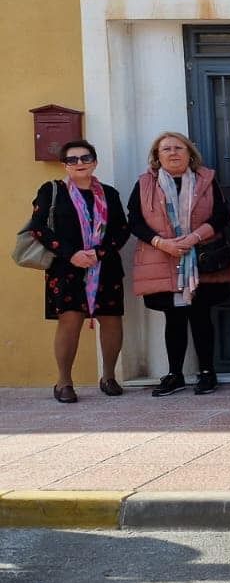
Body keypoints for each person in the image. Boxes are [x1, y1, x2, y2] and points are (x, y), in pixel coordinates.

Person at [127, 132, 230, 398]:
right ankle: (175, 374)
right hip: (162, 259)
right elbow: (135, 220)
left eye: (179, 148)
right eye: (166, 149)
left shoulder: (206, 180)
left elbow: (222, 214)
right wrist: (162, 243)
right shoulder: (144, 184)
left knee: (201, 317)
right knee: (173, 319)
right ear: (157, 156)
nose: (173, 153)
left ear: (189, 154)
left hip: (201, 259)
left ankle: (207, 372)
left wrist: (196, 236)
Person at [27, 140, 129, 403]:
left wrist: (99, 253)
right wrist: (71, 254)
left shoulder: (109, 194)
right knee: (70, 321)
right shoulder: (51, 191)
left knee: (111, 319)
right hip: (66, 266)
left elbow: (122, 230)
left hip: (104, 265)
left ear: (95, 162)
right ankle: (64, 382)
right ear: (65, 165)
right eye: (72, 160)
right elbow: (39, 227)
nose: (80, 163)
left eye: (85, 158)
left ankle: (108, 377)